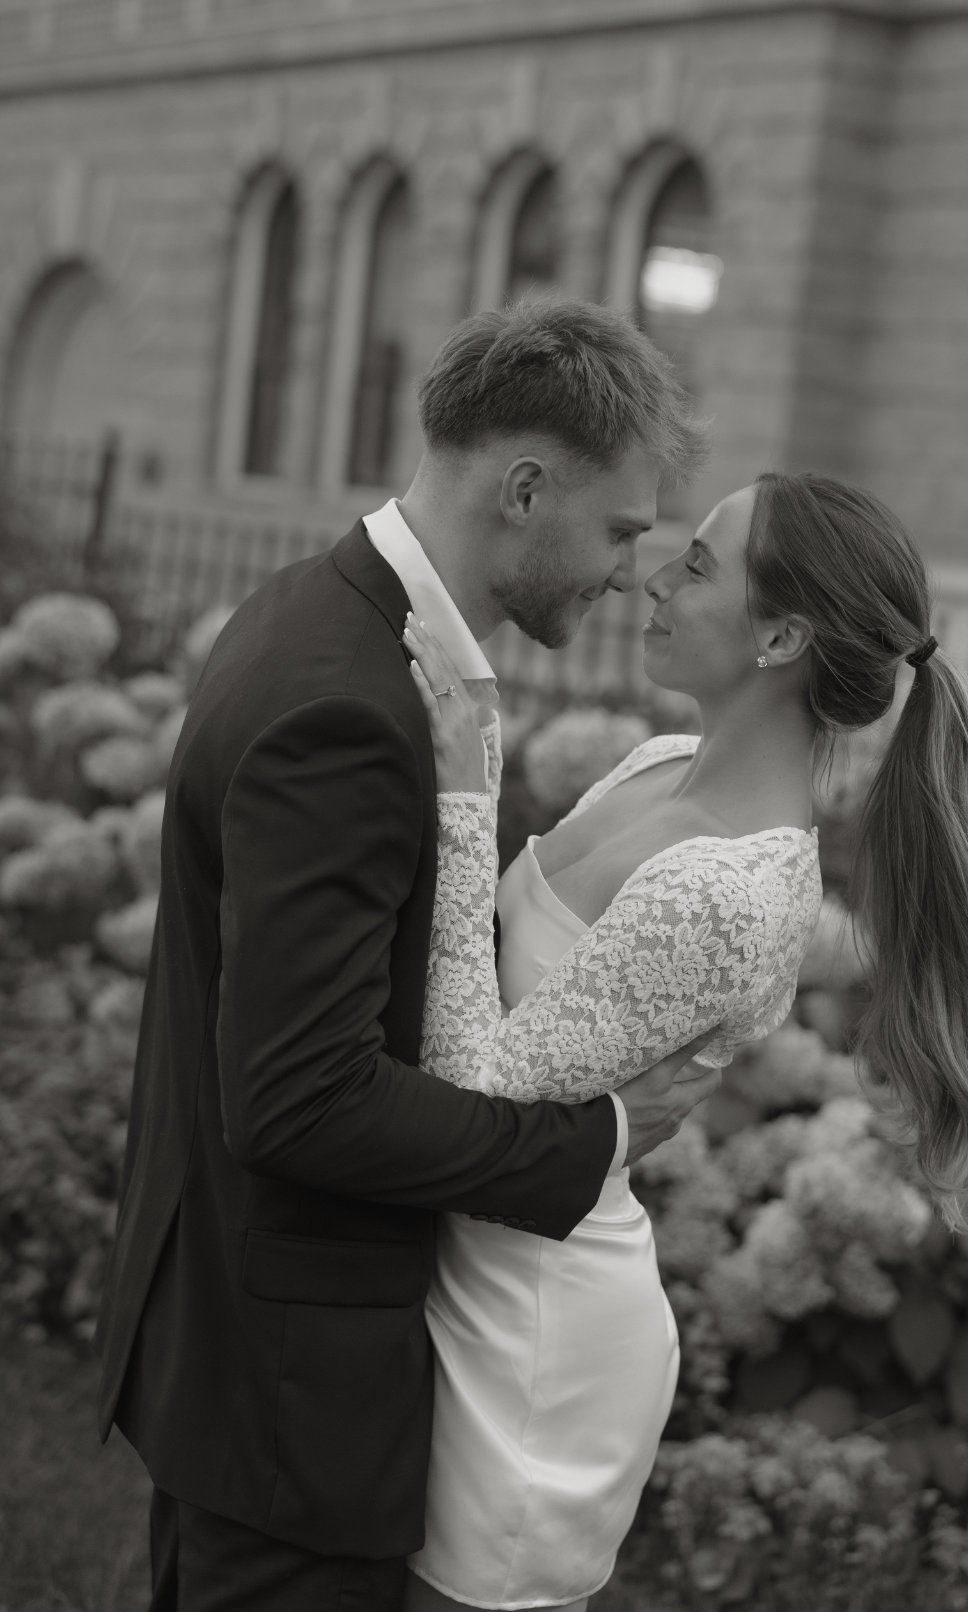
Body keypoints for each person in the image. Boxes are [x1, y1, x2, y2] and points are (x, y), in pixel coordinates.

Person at [92, 300, 720, 1612]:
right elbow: (300, 1100)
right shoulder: (346, 705)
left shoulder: (325, 619)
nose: (625, 574)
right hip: (286, 1393)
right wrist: (590, 1143)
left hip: (246, 1355)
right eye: (618, 532)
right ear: (524, 488)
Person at [397, 469, 968, 1611]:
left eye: (698, 564)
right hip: (459, 1266)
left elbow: (478, 1084)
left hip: (533, 1336)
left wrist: (466, 797)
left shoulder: (725, 891)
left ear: (782, 633)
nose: (652, 576)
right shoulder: (655, 769)